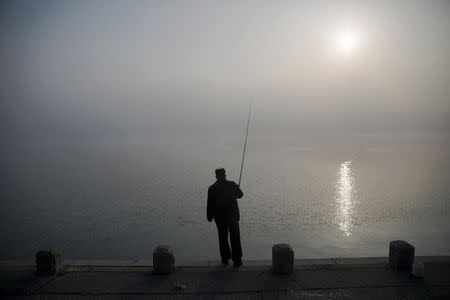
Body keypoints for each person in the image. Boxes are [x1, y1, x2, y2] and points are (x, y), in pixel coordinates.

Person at [207, 168, 244, 267]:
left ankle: (225, 259)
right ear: (225, 175)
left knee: (222, 238)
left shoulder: (212, 188)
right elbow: (240, 195)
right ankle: (237, 260)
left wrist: (209, 216)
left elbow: (210, 204)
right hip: (233, 217)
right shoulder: (232, 184)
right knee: (235, 238)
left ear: (216, 176)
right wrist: (237, 188)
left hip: (220, 218)